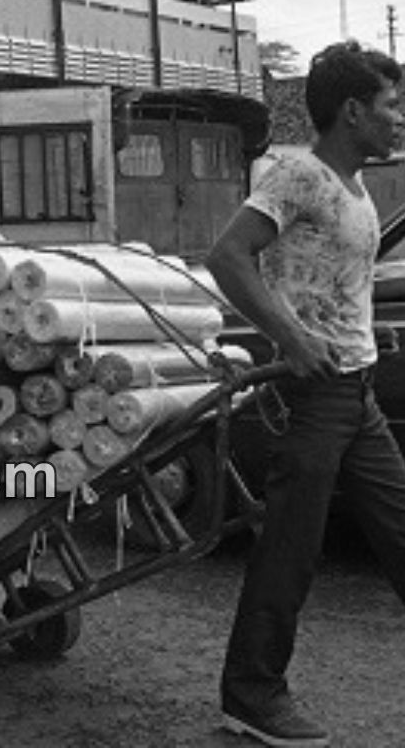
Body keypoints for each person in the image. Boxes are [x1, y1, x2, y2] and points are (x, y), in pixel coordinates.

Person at [205, 41, 405, 748]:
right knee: (291, 548)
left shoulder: (353, 188)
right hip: (313, 394)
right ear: (353, 111)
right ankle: (252, 693)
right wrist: (289, 337)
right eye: (388, 105)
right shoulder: (301, 177)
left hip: (358, 390)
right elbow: (227, 256)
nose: (397, 119)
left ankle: (252, 690)